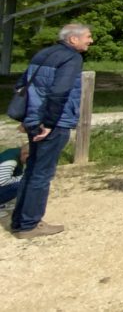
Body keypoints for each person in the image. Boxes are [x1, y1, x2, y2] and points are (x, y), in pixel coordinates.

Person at [10, 23, 93, 239]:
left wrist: (27, 118)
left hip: (33, 119)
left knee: (32, 170)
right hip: (53, 123)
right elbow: (60, 91)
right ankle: (30, 224)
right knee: (42, 173)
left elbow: (22, 85)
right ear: (73, 39)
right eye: (87, 36)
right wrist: (49, 122)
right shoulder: (72, 58)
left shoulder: (43, 53)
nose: (90, 41)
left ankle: (19, 220)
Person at [0, 145, 29, 209]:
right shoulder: (11, 161)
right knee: (22, 184)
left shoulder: (15, 153)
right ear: (24, 154)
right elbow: (2, 181)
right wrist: (22, 178)